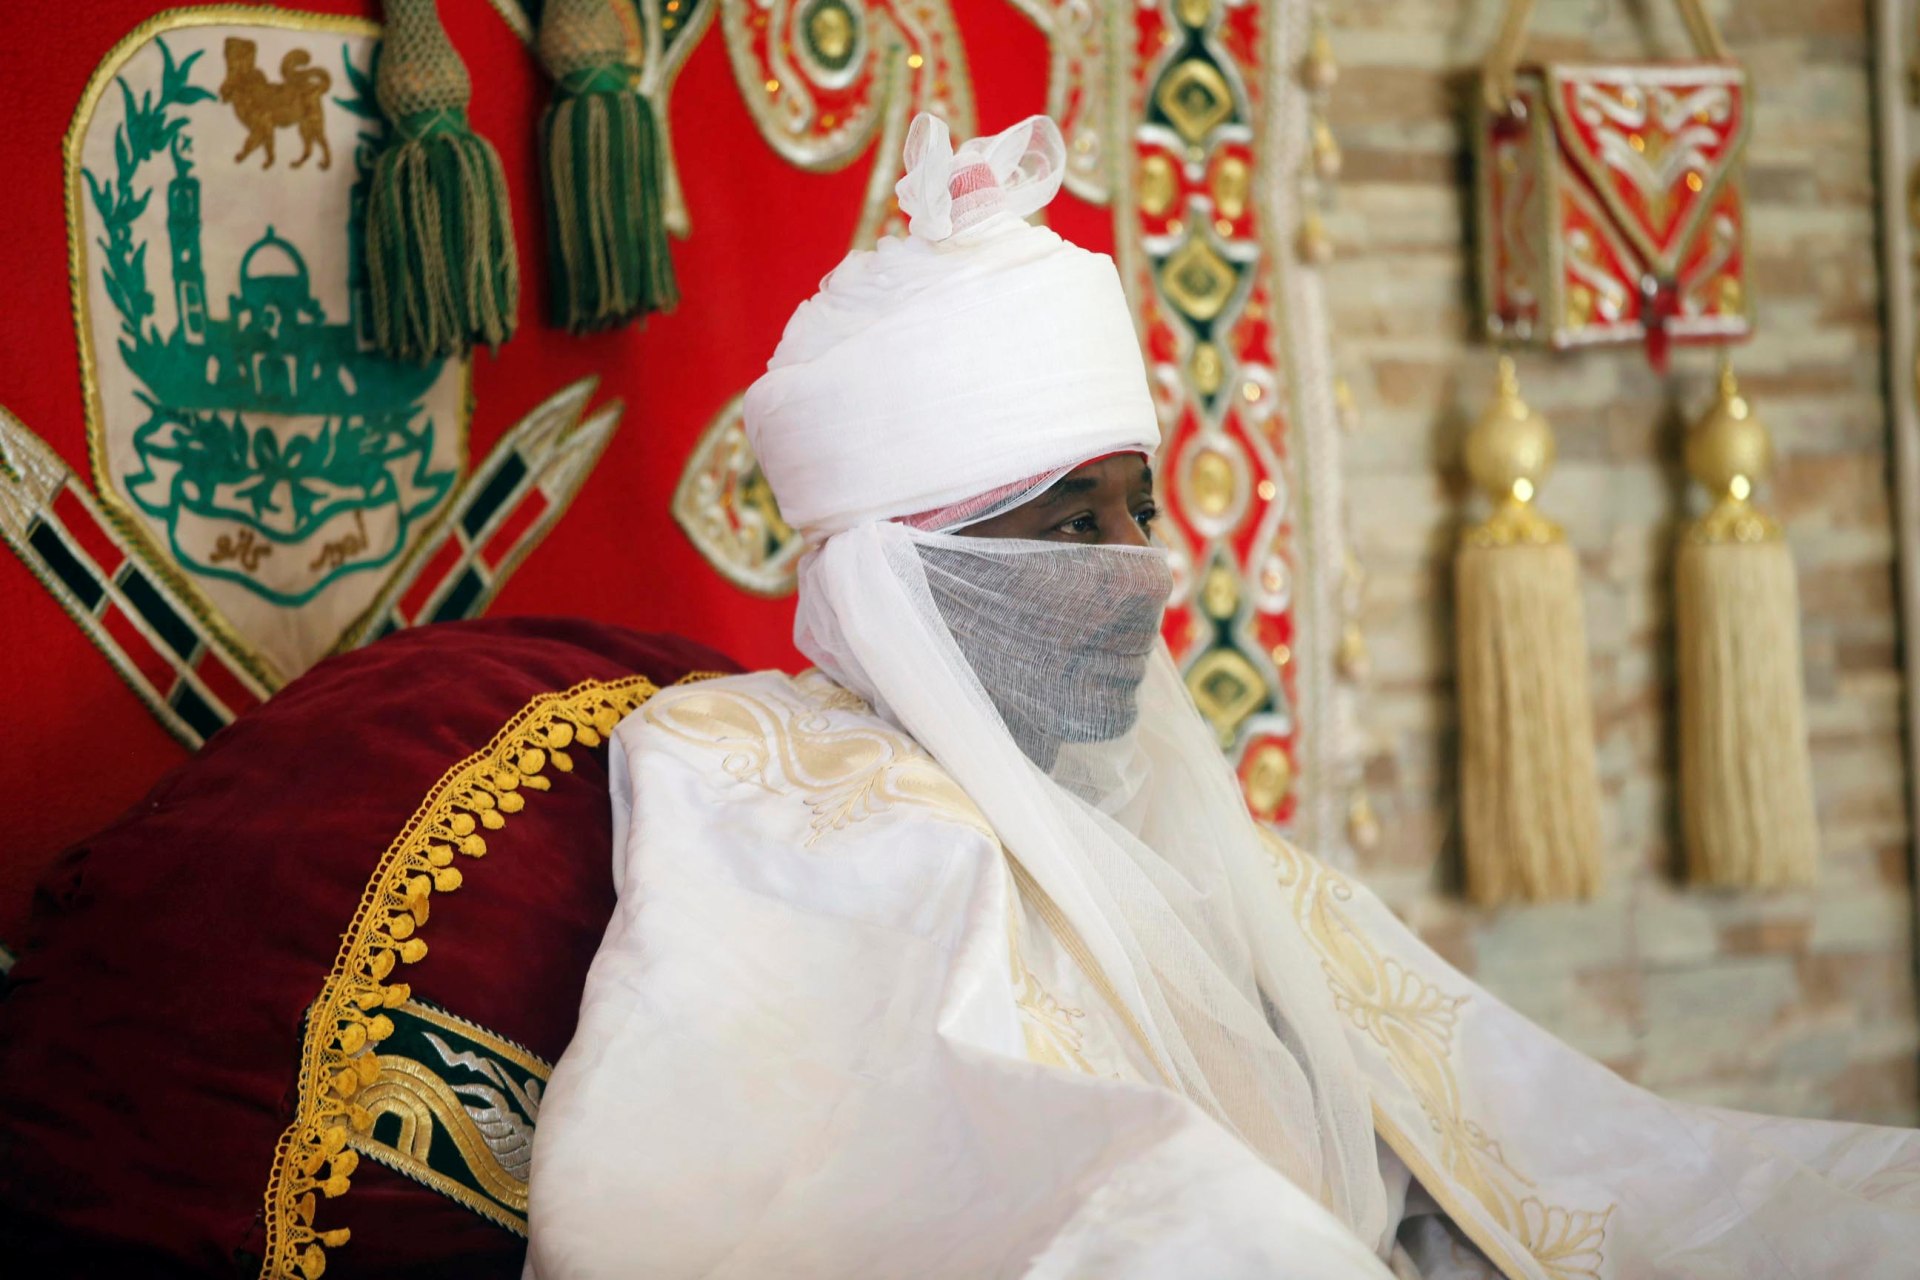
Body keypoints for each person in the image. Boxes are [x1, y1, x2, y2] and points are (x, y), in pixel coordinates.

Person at [526, 114, 1920, 1279]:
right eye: (1073, 527)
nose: (1144, 572)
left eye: (1140, 508)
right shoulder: (772, 786)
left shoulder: (1180, 838)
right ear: (907, 574)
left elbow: (1491, 1147)